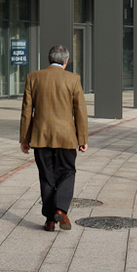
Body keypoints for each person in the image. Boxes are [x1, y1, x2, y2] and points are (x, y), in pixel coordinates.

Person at [20, 44, 88, 232]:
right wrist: (82, 139)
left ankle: (50, 220)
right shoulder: (73, 79)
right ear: (66, 61)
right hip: (66, 138)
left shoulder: (33, 78)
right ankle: (61, 209)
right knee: (67, 172)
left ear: (48, 59)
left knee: (47, 177)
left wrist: (25, 139)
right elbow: (80, 112)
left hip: (41, 137)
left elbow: (26, 112)